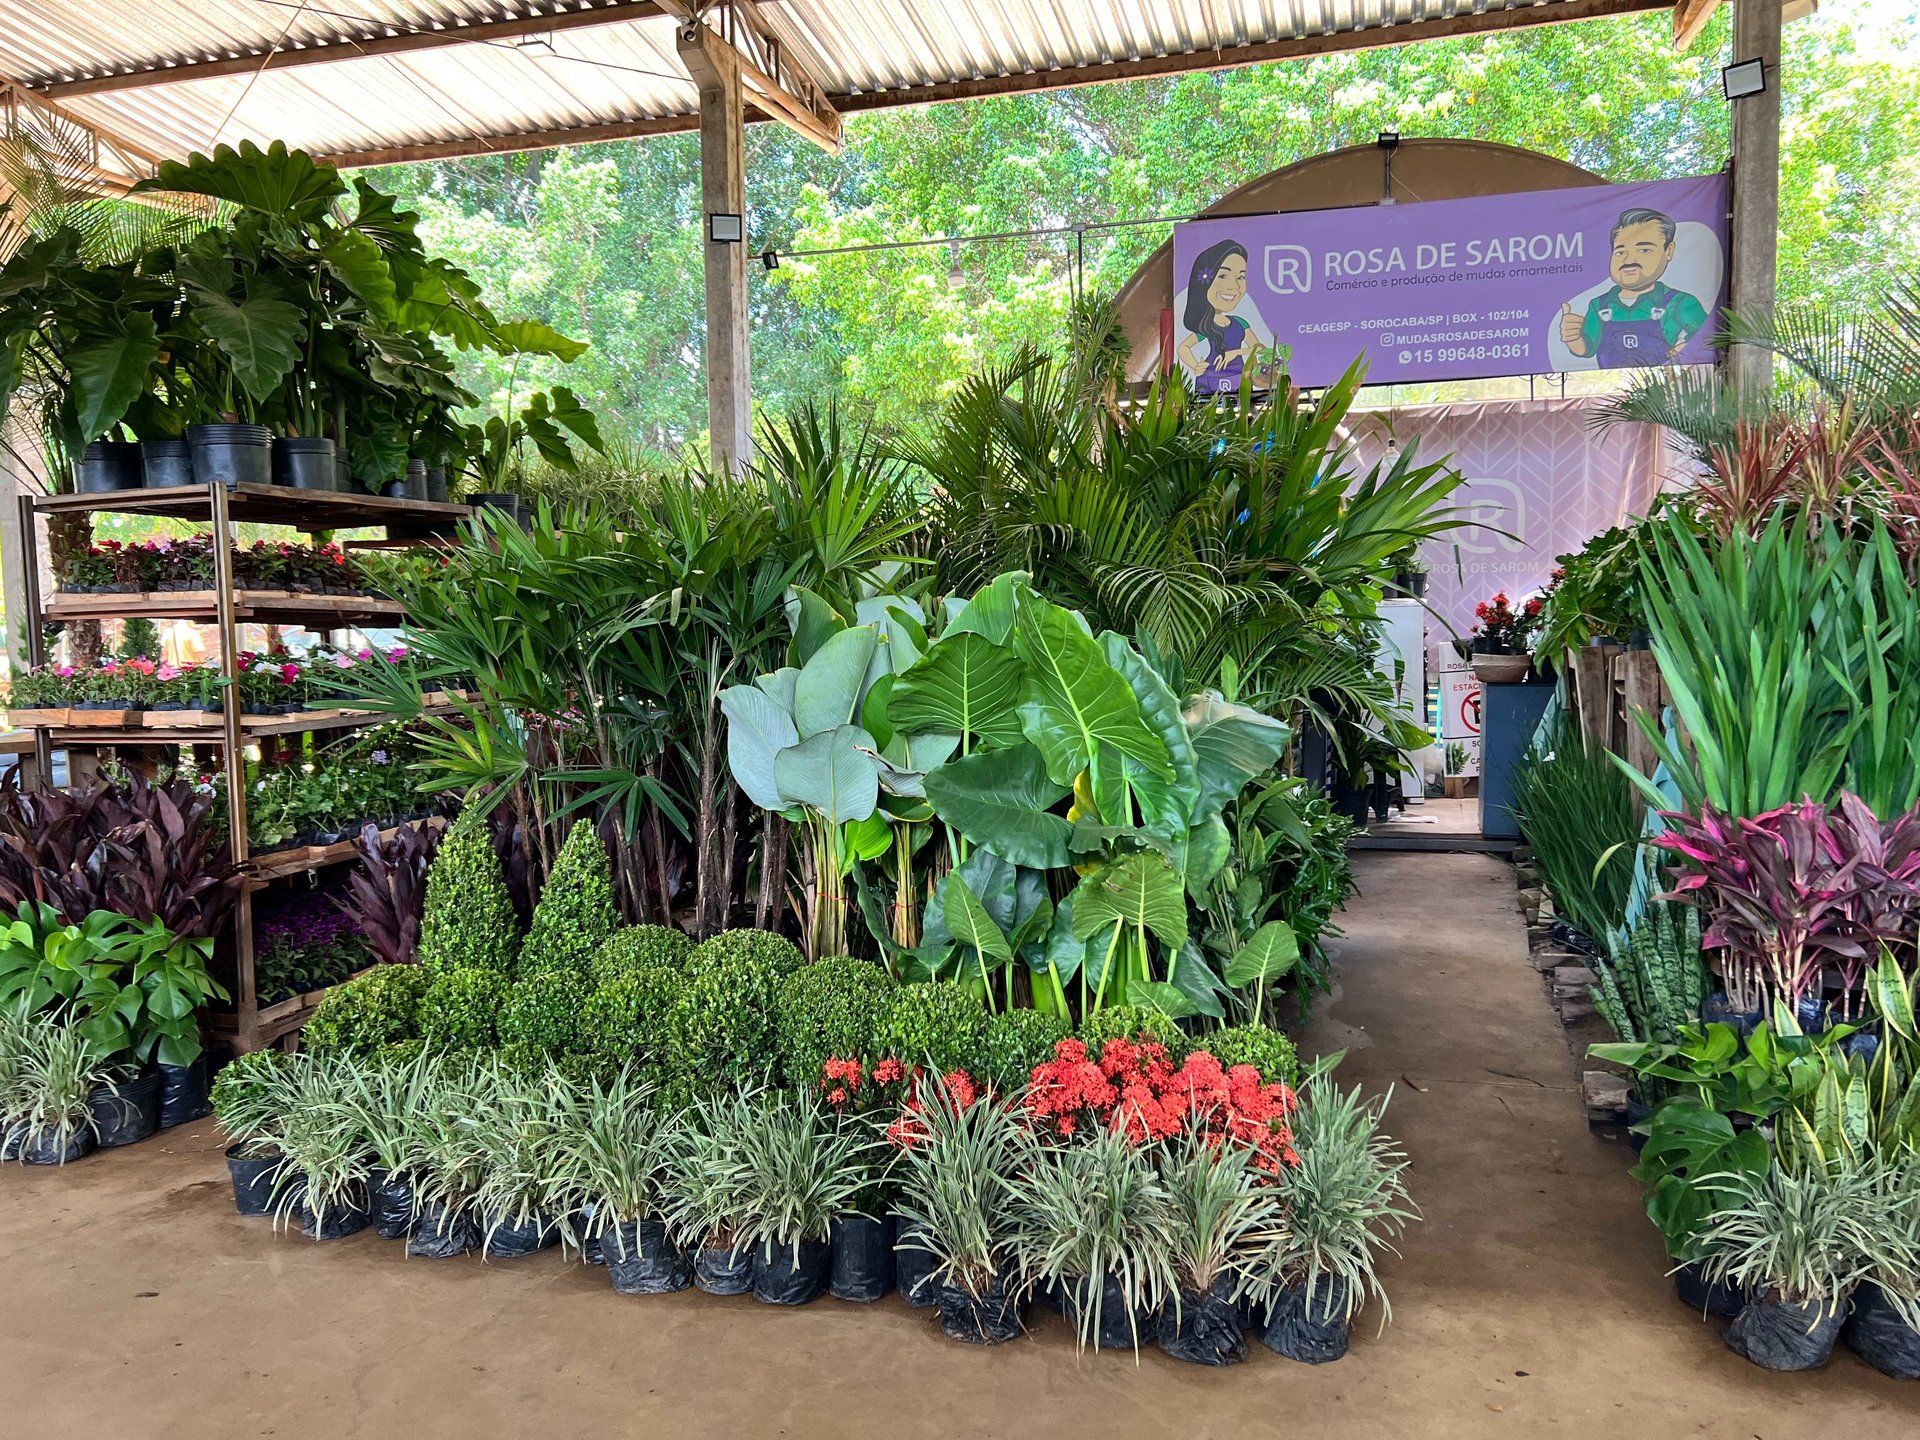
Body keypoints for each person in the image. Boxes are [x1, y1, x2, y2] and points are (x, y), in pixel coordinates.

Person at [1558, 207, 1710, 367]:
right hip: (1613, 381)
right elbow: (1585, 348)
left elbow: (1709, 335)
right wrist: (1572, 337)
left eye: (1644, 250)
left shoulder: (1679, 302)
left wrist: (1687, 347)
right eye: (1620, 252)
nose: (1629, 260)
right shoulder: (1599, 305)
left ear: (1669, 251)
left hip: (1663, 380)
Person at [1177, 239, 1261, 389]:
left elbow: (1259, 348)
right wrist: (1196, 365)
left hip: (1239, 377)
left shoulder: (1240, 323)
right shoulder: (1206, 324)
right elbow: (1183, 347)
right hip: (1210, 378)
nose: (1234, 286)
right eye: (1222, 276)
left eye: (1240, 277)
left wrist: (1236, 353)